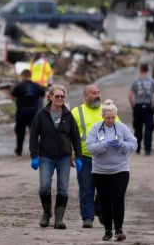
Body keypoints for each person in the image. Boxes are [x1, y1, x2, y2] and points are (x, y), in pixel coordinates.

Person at [29, 85, 81, 230]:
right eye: (57, 96)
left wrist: (79, 157)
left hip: (64, 157)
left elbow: (75, 137)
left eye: (62, 97)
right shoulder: (41, 114)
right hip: (46, 156)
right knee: (44, 187)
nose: (59, 99)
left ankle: (59, 219)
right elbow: (33, 136)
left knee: (63, 188)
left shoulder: (68, 115)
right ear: (50, 97)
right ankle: (47, 213)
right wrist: (34, 155)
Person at [86, 103, 137, 242]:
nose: (110, 120)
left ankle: (119, 229)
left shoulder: (122, 128)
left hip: (120, 169)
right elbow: (90, 148)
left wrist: (121, 144)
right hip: (100, 171)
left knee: (118, 198)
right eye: (108, 118)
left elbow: (134, 145)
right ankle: (108, 230)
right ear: (102, 116)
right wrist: (105, 144)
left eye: (113, 118)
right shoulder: (96, 128)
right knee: (105, 201)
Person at [71, 84, 104, 228]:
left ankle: (99, 209)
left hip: (104, 157)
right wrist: (71, 152)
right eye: (93, 93)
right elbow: (69, 134)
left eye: (98, 92)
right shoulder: (76, 112)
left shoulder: (106, 110)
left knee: (105, 188)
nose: (97, 95)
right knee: (86, 187)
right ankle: (87, 217)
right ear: (86, 96)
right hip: (84, 156)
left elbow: (119, 128)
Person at [128, 63, 154, 156]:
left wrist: (133, 106)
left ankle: (137, 149)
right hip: (149, 107)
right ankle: (147, 150)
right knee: (148, 129)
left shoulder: (136, 82)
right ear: (148, 70)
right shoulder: (152, 82)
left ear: (140, 70)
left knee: (137, 129)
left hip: (138, 107)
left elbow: (130, 96)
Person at [11, 69, 45, 156]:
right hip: (33, 111)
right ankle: (35, 151)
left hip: (21, 112)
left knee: (20, 132)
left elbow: (12, 96)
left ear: (22, 76)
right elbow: (43, 94)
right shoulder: (37, 86)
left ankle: (19, 150)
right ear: (30, 75)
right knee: (34, 132)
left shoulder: (19, 86)